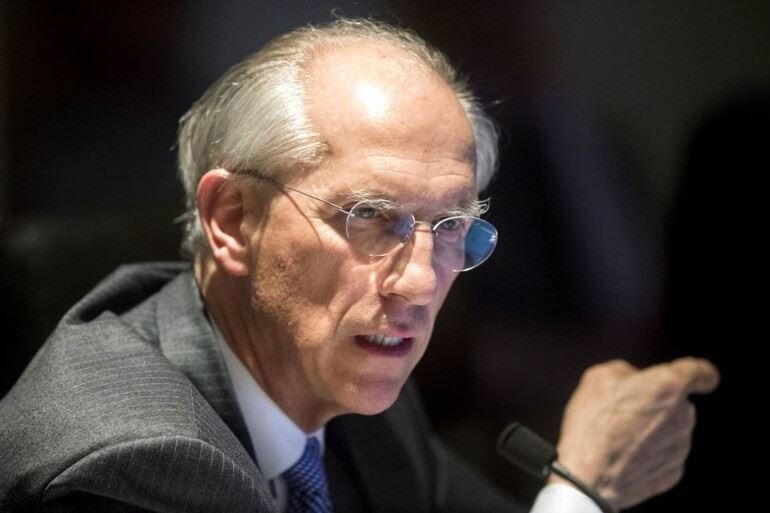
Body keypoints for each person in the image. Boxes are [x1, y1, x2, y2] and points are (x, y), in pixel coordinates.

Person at [0, 18, 718, 513]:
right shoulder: (132, 464)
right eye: (370, 217)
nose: (416, 283)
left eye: (449, 225)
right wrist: (582, 486)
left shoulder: (347, 383)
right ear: (232, 220)